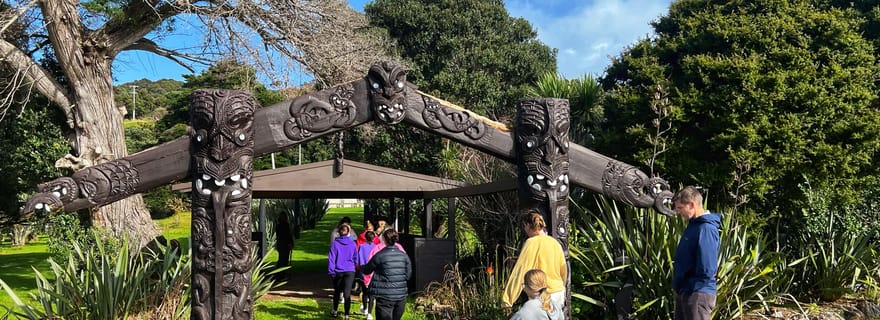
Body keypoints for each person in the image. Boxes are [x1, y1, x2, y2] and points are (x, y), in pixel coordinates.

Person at [672, 186, 720, 320]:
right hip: (687, 290)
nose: (678, 212)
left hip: (698, 293)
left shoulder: (706, 228)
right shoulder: (694, 226)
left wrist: (693, 287)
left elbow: (707, 267)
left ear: (692, 205)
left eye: (680, 208)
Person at [502, 211, 566, 308]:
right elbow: (564, 271)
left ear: (527, 225)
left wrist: (507, 299)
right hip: (558, 292)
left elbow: (520, 271)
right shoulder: (554, 242)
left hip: (542, 294)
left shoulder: (531, 243)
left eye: (524, 226)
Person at [362, 229, 411, 320]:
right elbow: (408, 275)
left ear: (384, 239)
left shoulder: (379, 255)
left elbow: (367, 270)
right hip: (400, 296)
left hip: (384, 296)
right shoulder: (404, 256)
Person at [328, 224, 358, 319]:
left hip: (338, 270)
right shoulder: (352, 243)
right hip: (350, 270)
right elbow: (356, 257)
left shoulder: (335, 244)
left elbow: (331, 259)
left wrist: (331, 271)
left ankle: (335, 310)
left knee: (337, 291)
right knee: (347, 293)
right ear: (349, 232)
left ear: (338, 233)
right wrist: (355, 266)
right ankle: (346, 315)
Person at [357, 231, 378, 320]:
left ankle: (365, 308)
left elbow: (359, 259)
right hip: (373, 272)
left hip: (363, 271)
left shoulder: (361, 247)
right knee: (372, 294)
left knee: (364, 292)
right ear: (374, 238)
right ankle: (369, 313)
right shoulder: (376, 247)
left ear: (365, 238)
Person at [275, 213, 293, 280]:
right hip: (284, 245)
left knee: (282, 260)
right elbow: (287, 235)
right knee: (283, 260)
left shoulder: (279, 226)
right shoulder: (284, 225)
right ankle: (281, 275)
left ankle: (280, 275)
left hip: (281, 245)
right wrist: (290, 243)